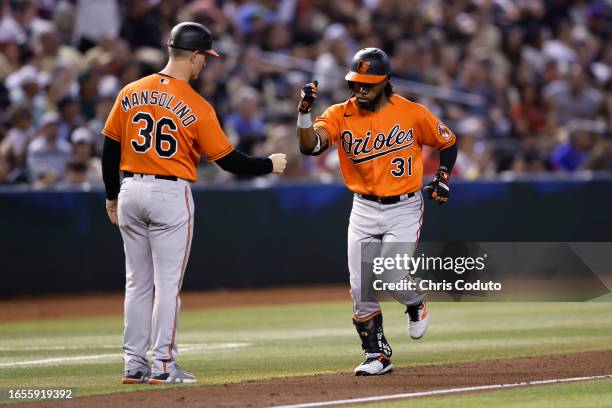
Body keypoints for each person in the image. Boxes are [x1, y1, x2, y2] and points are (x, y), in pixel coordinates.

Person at [102, 22, 287, 385]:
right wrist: (268, 163)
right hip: (169, 194)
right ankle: (164, 366)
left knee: (137, 284)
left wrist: (111, 195)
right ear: (196, 55)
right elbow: (228, 160)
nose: (206, 65)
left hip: (130, 190)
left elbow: (110, 147)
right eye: (205, 57)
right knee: (167, 286)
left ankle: (133, 364)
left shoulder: (131, 90)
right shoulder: (197, 104)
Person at [296, 48, 457, 376]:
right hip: (364, 207)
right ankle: (376, 355)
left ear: (385, 82)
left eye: (368, 83)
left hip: (404, 206)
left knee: (393, 277)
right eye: (356, 82)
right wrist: (303, 114)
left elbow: (447, 141)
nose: (361, 89)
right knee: (361, 286)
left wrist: (442, 177)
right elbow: (310, 146)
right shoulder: (340, 113)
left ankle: (415, 302)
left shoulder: (411, 113)